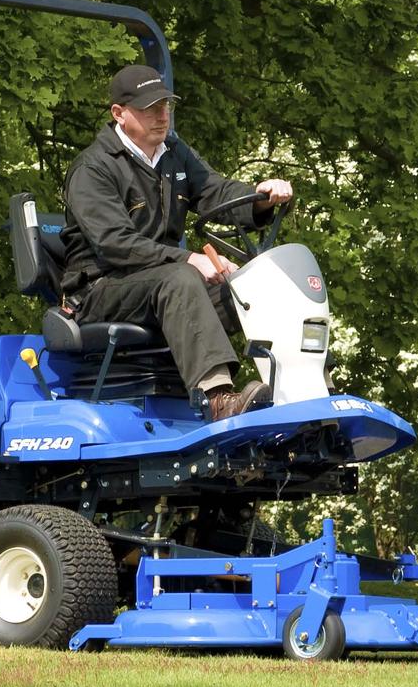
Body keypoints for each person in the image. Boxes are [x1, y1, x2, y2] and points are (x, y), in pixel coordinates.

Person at [59, 64, 294, 421]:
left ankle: (296, 391)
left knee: (254, 286)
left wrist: (259, 197)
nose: (161, 115)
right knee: (181, 279)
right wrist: (189, 259)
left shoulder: (173, 152)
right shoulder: (93, 169)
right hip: (100, 290)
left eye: (165, 106)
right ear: (119, 114)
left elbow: (215, 192)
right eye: (149, 108)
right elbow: (115, 244)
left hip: (159, 285)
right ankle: (217, 399)